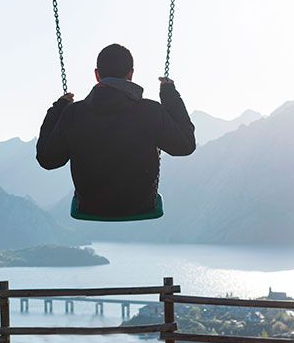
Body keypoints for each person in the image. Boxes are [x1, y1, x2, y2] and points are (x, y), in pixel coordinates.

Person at [37, 43, 196, 218]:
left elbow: (48, 160)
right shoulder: (151, 111)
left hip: (90, 206)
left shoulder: (74, 114)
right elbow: (185, 146)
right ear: (131, 74)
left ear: (97, 75)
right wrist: (169, 94)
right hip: (141, 205)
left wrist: (58, 109)